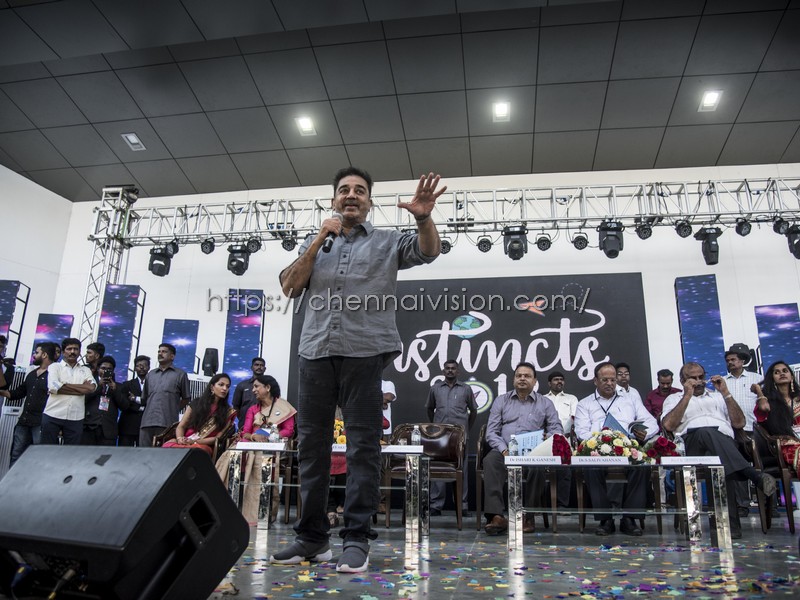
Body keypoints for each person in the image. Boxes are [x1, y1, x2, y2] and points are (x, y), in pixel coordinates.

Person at [272, 167, 444, 572]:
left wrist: (423, 218)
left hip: (366, 354)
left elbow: (428, 251)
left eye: (360, 190)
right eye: (344, 190)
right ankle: (312, 538)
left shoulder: (387, 241)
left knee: (363, 449)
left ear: (369, 201)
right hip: (315, 353)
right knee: (311, 449)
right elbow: (290, 286)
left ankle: (356, 538)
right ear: (334, 199)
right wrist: (318, 240)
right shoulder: (316, 241)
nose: (351, 195)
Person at [661, 362, 777, 539]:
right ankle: (753, 476)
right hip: (692, 445)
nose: (699, 381)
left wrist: (726, 393)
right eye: (693, 378)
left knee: (720, 463)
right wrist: (687, 395)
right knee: (707, 432)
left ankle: (730, 528)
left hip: (723, 444)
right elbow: (668, 425)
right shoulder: (674, 398)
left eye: (701, 377)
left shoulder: (718, 396)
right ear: (683, 380)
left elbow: (739, 423)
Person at [574, 362, 658, 537]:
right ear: (595, 381)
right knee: (590, 467)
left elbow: (652, 423)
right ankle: (605, 519)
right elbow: (581, 432)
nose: (610, 383)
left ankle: (630, 519)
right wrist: (602, 439)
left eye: (613, 380)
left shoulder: (630, 400)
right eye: (605, 380)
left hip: (627, 449)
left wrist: (644, 433)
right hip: (598, 450)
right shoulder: (584, 403)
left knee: (642, 465)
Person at [482, 362, 563, 535]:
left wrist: (547, 438)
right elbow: (491, 432)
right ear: (514, 380)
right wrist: (504, 450)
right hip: (505, 451)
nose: (522, 379)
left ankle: (528, 516)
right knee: (490, 461)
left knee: (537, 467)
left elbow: (557, 430)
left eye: (527, 376)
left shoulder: (545, 403)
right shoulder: (501, 400)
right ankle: (496, 516)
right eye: (519, 376)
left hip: (533, 452)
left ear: (535, 381)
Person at [216, 374, 296, 524]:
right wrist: (254, 437)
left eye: (256, 386)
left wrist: (269, 435)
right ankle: (229, 508)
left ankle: (261, 513)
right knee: (232, 455)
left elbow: (289, 430)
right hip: (251, 444)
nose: (253, 390)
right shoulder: (253, 409)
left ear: (268, 388)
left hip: (274, 446)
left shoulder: (284, 408)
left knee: (262, 459)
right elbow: (245, 431)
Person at [426, 359, 477, 517]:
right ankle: (435, 505)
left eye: (453, 368)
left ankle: (462, 506)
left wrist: (465, 428)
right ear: (443, 371)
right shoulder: (435, 388)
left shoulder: (466, 389)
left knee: (462, 470)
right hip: (439, 436)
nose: (450, 370)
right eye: (447, 368)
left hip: (460, 436)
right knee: (437, 469)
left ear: (458, 371)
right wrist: (436, 426)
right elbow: (429, 409)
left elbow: (473, 411)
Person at [0, 342, 55, 466]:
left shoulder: (54, 375)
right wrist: (2, 392)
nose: (34, 355)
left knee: (39, 457)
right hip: (24, 421)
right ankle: (13, 478)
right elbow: (19, 393)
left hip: (41, 423)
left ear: (44, 355)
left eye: (37, 352)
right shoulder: (32, 374)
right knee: (16, 454)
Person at [723, 344, 762, 517]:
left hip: (754, 429)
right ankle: (742, 505)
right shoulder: (723, 382)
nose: (730, 363)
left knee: (761, 466)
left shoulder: (757, 378)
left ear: (742, 361)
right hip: (732, 431)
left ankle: (769, 505)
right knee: (737, 466)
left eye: (733, 359)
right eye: (728, 360)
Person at [162, 373, 236, 457]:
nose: (225, 388)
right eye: (221, 385)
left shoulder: (227, 412)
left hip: (203, 444)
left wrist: (194, 442)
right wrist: (179, 439)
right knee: (167, 446)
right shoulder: (197, 403)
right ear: (212, 387)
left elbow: (217, 438)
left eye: (227, 386)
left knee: (197, 451)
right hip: (186, 440)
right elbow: (181, 426)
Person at [41, 338, 96, 445]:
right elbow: (53, 387)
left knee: (71, 452)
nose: (72, 352)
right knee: (46, 450)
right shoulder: (54, 367)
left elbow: (91, 388)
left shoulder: (86, 370)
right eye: (69, 349)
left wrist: (62, 386)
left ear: (79, 352)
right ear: (63, 352)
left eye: (76, 349)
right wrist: (81, 389)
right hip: (52, 414)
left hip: (76, 417)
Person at [753, 361, 800, 477]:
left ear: (792, 376)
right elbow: (764, 408)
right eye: (777, 372)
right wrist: (759, 391)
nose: (782, 374)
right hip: (783, 444)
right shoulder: (767, 401)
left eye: (785, 371)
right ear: (772, 379)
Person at [139, 343, 191, 447]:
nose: (160, 353)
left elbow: (186, 398)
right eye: (159, 351)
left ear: (172, 356)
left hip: (167, 423)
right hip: (147, 422)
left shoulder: (180, 374)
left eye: (164, 352)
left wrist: (173, 408)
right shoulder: (150, 374)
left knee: (163, 454)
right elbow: (144, 398)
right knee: (143, 453)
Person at [544, 370, 579, 509]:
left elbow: (575, 419)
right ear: (549, 383)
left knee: (565, 471)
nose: (559, 381)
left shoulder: (571, 399)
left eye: (561, 379)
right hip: (546, 440)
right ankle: (541, 506)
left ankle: (562, 505)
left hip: (566, 439)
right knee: (539, 471)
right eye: (556, 379)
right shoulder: (543, 399)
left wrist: (562, 435)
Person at [81, 356, 129, 446]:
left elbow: (124, 406)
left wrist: (115, 390)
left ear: (113, 371)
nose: (105, 371)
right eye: (103, 368)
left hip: (108, 431)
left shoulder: (119, 386)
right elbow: (83, 399)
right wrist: (98, 386)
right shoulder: (90, 384)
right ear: (98, 369)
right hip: (89, 427)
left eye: (109, 369)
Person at [119, 355, 150, 446]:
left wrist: (135, 399)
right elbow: (125, 404)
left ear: (149, 367)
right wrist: (141, 407)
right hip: (128, 425)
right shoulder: (127, 385)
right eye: (138, 365)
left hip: (146, 426)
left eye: (144, 365)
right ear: (135, 368)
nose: (141, 367)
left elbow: (153, 402)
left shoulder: (154, 385)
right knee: (124, 452)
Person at [232, 357, 267, 430]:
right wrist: (244, 418)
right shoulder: (242, 385)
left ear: (265, 369)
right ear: (251, 368)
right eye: (256, 365)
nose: (259, 367)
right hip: (244, 424)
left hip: (263, 426)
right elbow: (236, 406)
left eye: (261, 365)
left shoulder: (269, 386)